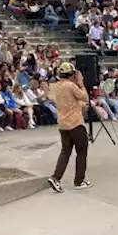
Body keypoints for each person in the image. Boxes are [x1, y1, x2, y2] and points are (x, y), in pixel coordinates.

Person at [48, 62, 91, 192]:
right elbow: (85, 97)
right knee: (82, 151)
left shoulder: (56, 86)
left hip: (63, 124)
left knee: (65, 151)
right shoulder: (71, 86)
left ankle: (56, 177)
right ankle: (79, 180)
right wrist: (81, 83)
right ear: (71, 74)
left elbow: (72, 101)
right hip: (76, 123)